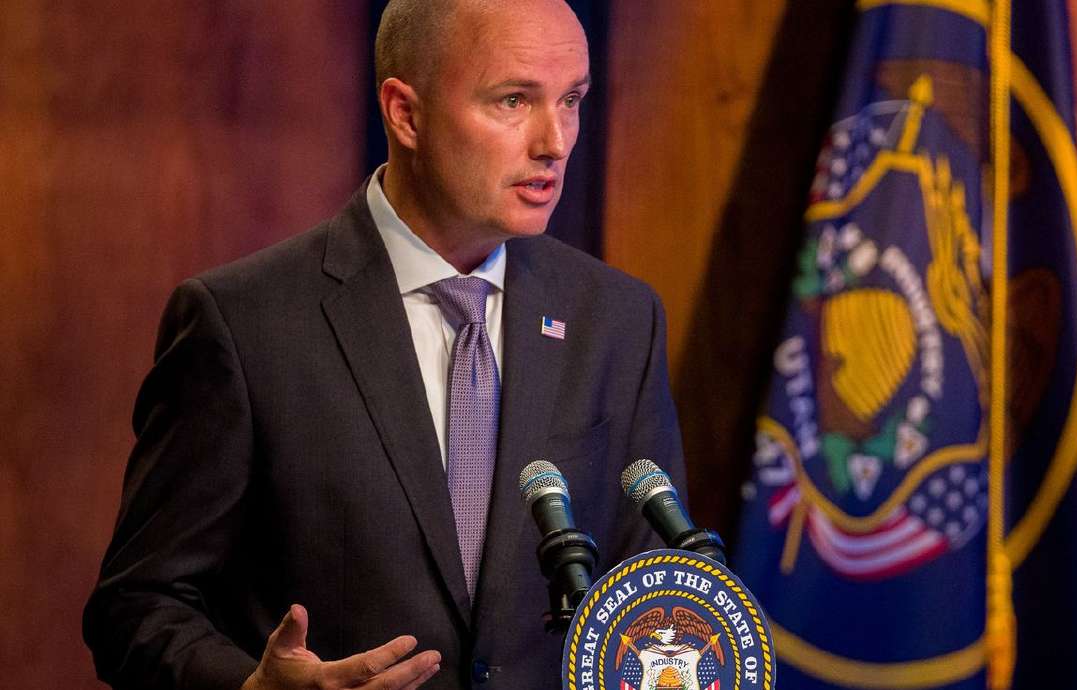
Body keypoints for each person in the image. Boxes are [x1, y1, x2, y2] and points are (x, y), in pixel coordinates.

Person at [82, 1, 686, 688]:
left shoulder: (618, 319)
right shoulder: (244, 323)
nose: (555, 140)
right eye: (514, 100)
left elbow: (654, 589)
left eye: (572, 99)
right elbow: (135, 605)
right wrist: (249, 686)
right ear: (406, 114)